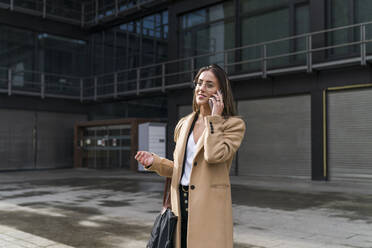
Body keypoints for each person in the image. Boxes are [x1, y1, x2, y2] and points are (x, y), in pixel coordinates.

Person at [134, 64, 246, 248]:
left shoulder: (233, 125)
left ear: (221, 92)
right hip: (179, 206)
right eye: (199, 83)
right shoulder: (184, 123)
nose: (202, 88)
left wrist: (215, 119)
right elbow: (180, 169)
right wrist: (155, 162)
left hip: (209, 208)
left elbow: (214, 155)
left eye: (209, 85)